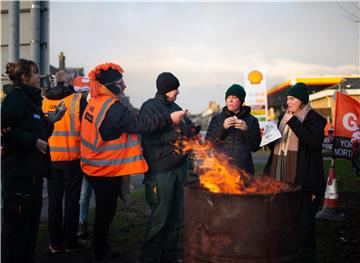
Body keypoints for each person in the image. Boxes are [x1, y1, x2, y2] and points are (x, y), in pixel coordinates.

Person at [80, 63, 185, 263]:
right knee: (106, 212)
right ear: (109, 85)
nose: (124, 86)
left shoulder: (96, 101)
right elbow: (142, 125)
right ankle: (101, 253)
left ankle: (101, 248)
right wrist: (169, 118)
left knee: (105, 212)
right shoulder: (113, 109)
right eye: (121, 83)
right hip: (104, 168)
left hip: (93, 165)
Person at [1, 59, 64, 263]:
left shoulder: (32, 102)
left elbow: (38, 132)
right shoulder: (17, 98)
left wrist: (51, 121)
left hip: (33, 174)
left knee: (30, 229)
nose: (41, 77)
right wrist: (33, 142)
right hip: (19, 174)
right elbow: (4, 127)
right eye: (36, 73)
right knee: (16, 230)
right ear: (24, 78)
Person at [139, 72, 200, 263]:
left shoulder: (177, 108)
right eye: (175, 89)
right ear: (166, 90)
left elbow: (186, 131)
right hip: (160, 171)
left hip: (179, 168)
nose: (178, 92)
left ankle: (171, 255)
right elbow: (150, 136)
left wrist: (192, 129)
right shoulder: (149, 108)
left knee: (176, 218)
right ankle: (150, 257)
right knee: (160, 218)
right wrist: (176, 134)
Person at [265, 82, 326, 263]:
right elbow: (275, 145)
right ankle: (287, 254)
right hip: (281, 179)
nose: (288, 102)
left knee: (305, 224)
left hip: (303, 180)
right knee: (284, 221)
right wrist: (269, 138)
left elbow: (313, 142)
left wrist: (293, 122)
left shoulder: (314, 119)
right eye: (287, 99)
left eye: (291, 98)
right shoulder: (283, 117)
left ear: (301, 100)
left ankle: (306, 257)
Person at [42, 70, 89, 253]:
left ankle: (55, 243)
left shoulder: (44, 101)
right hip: (72, 158)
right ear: (69, 82)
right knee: (71, 201)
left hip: (51, 158)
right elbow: (88, 129)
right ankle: (71, 242)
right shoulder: (78, 100)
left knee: (54, 201)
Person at [205, 84, 261, 175]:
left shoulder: (251, 120)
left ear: (241, 101)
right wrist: (223, 128)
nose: (230, 100)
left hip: (244, 170)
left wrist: (246, 130)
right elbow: (209, 144)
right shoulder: (217, 119)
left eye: (234, 97)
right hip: (221, 170)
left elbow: (255, 147)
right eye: (228, 97)